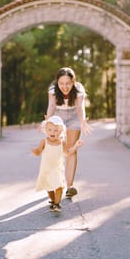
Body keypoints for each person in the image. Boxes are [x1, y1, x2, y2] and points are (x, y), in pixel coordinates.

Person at [44, 67, 91, 199]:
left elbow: (80, 108)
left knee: (72, 149)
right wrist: (48, 120)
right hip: (58, 115)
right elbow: (52, 106)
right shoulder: (53, 90)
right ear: (57, 82)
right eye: (61, 83)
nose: (64, 87)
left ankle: (69, 186)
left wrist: (82, 121)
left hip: (74, 117)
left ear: (73, 82)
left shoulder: (78, 89)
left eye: (68, 83)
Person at [32, 115, 83, 212]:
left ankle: (57, 204)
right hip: (46, 169)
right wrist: (35, 151)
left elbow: (67, 153)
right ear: (46, 130)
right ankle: (53, 200)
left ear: (60, 132)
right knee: (49, 188)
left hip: (57, 169)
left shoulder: (62, 142)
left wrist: (76, 145)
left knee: (59, 187)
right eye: (50, 130)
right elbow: (39, 151)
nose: (52, 132)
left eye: (56, 130)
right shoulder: (44, 141)